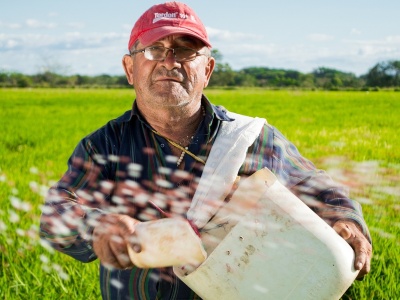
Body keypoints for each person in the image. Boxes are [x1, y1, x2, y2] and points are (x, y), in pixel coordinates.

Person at [40, 2, 372, 299]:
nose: (170, 62)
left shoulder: (250, 138)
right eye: (155, 50)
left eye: (185, 51)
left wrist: (345, 218)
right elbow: (56, 213)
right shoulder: (104, 146)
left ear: (207, 70)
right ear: (130, 68)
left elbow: (316, 185)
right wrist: (97, 227)